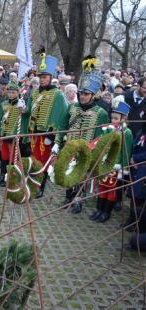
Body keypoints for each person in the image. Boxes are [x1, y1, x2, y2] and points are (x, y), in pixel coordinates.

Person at [56, 57, 109, 213]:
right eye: (81, 93)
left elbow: (100, 137)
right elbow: (62, 126)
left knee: (81, 177)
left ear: (93, 95)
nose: (82, 96)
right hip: (69, 148)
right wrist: (57, 144)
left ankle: (78, 201)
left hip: (86, 152)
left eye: (86, 94)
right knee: (67, 172)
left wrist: (91, 153)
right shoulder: (72, 107)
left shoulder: (101, 113)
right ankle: (68, 197)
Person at [27, 51, 68, 198]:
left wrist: (52, 136)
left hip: (46, 136)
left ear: (51, 78)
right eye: (40, 77)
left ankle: (40, 188)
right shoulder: (35, 93)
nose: (42, 80)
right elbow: (30, 111)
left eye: (44, 77)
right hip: (34, 134)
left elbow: (61, 118)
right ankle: (32, 182)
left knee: (43, 161)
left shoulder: (57, 95)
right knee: (34, 160)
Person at [90, 97, 133, 223]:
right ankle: (99, 209)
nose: (113, 120)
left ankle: (106, 212)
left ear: (123, 119)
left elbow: (126, 152)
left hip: (116, 166)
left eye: (116, 118)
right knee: (102, 187)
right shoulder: (108, 129)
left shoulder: (127, 132)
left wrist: (123, 169)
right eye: (112, 117)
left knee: (111, 190)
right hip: (104, 163)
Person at [0, 81, 30, 186]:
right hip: (4, 134)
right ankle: (2, 175)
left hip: (14, 137)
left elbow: (28, 113)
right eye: (9, 92)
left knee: (12, 158)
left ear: (18, 93)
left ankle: (11, 178)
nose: (11, 94)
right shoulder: (4, 104)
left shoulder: (21, 103)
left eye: (13, 92)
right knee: (4, 156)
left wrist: (24, 109)